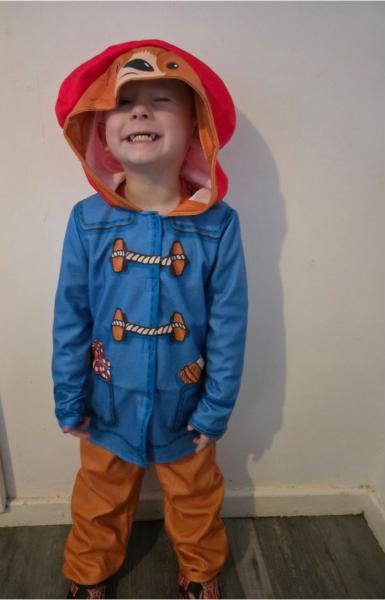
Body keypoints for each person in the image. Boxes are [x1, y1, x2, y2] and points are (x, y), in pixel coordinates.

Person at [52, 38, 249, 600]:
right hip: (105, 401)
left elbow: (230, 324)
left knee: (195, 497)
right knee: (99, 497)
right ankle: (89, 569)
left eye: (161, 100)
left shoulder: (218, 226)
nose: (140, 111)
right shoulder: (87, 221)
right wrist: (69, 396)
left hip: (187, 406)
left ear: (194, 130)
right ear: (101, 128)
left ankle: (201, 568)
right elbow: (70, 316)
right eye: (123, 102)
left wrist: (216, 407)